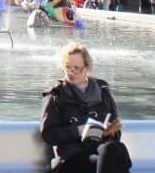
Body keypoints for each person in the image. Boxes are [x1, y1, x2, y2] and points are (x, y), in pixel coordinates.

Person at [40, 43, 131, 172]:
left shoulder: (103, 90)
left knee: (114, 149)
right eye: (67, 67)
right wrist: (78, 131)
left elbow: (116, 130)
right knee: (112, 159)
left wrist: (108, 131)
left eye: (76, 68)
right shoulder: (56, 95)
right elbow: (48, 135)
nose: (71, 72)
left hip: (100, 150)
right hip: (71, 158)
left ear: (87, 67)